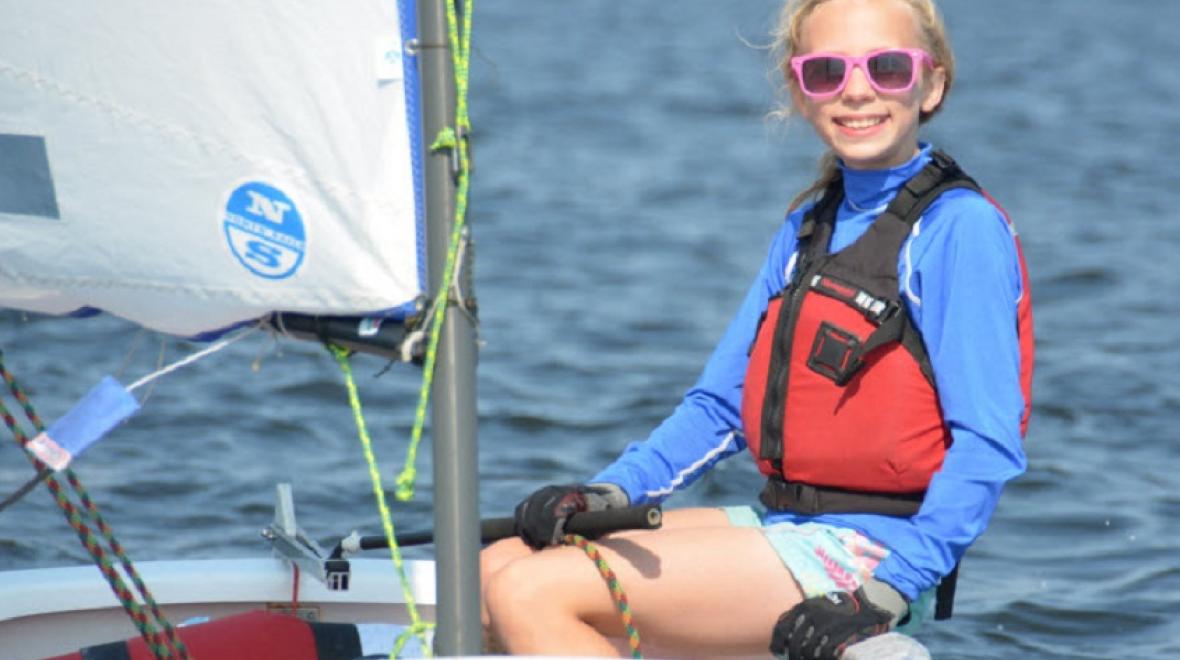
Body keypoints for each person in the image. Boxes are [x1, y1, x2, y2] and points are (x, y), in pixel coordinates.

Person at [481, 0, 1034, 657]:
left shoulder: (958, 230)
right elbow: (718, 407)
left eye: (887, 68)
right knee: (495, 568)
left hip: (879, 556)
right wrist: (607, 492)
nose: (857, 90)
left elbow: (987, 446)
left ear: (932, 83)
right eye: (827, 72)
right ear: (801, 93)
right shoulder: (808, 227)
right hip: (790, 524)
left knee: (530, 594)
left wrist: (888, 591)